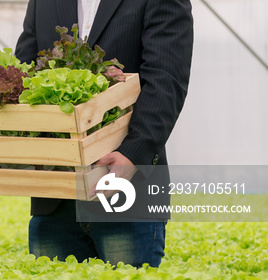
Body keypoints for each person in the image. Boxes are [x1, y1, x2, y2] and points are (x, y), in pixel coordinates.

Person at [14, 0, 194, 267]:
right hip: (54, 199)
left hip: (127, 191)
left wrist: (132, 154)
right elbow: (24, 75)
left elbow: (166, 79)